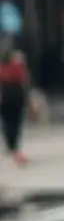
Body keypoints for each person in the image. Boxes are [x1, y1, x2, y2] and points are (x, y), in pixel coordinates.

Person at [0, 37, 30, 165]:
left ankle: (11, 144)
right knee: (16, 121)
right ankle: (14, 144)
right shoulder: (17, 64)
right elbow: (24, 78)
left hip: (5, 95)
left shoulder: (2, 67)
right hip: (16, 94)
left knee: (7, 121)